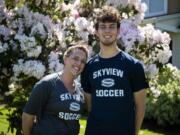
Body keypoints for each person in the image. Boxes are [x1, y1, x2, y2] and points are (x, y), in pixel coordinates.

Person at [81, 5, 149, 135]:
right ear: (96, 31)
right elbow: (90, 106)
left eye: (112, 26)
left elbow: (140, 106)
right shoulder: (89, 67)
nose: (107, 31)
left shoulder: (133, 65)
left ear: (118, 30)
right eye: (103, 27)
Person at [22, 42, 88, 135]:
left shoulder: (81, 90)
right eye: (76, 58)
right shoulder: (47, 84)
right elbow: (27, 116)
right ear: (65, 59)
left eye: (83, 61)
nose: (79, 63)